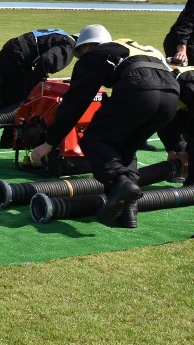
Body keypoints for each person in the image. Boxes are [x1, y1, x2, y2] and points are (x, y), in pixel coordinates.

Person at [30, 25, 181, 229]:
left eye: (82, 50)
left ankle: (121, 182)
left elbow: (75, 102)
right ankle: (128, 213)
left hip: (139, 88)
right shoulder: (136, 47)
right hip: (172, 96)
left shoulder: (95, 55)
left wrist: (50, 142)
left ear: (89, 45)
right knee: (124, 150)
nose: (82, 55)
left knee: (94, 139)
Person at [0, 28, 76, 151]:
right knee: (15, 107)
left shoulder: (62, 36)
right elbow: (46, 61)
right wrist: (35, 88)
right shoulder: (68, 47)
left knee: (11, 104)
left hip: (13, 53)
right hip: (17, 59)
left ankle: (7, 139)